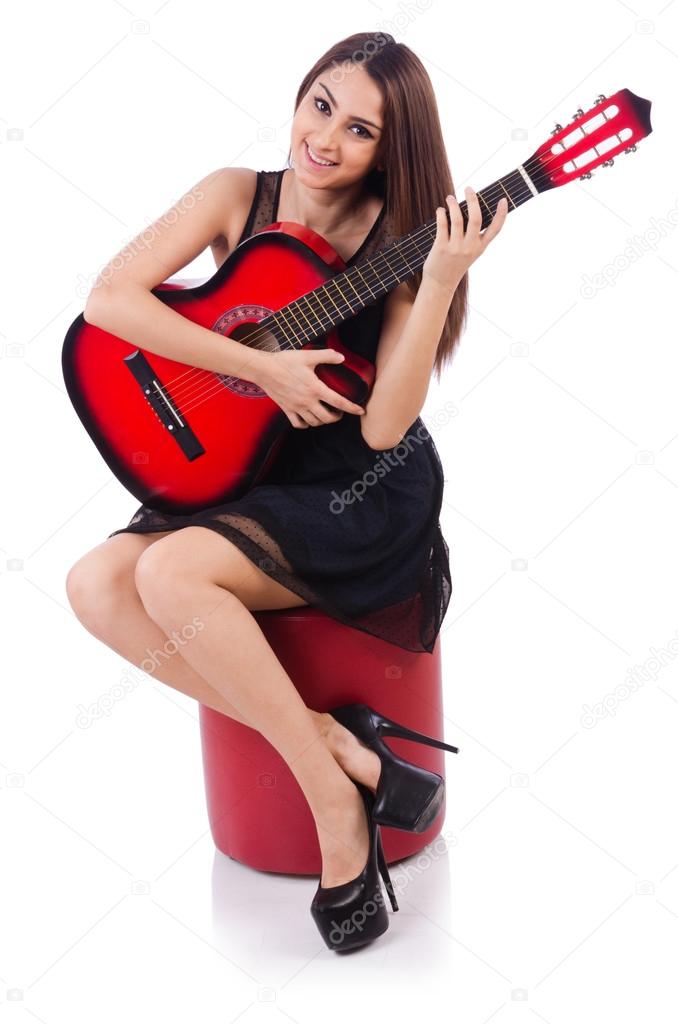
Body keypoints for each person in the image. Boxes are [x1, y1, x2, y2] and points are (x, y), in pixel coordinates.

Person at [66, 30, 507, 950]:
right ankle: (340, 749)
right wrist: (255, 369)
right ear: (300, 94)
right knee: (93, 585)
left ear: (393, 150)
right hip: (243, 464)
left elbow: (385, 425)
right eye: (321, 105)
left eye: (361, 130)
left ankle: (337, 816)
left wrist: (440, 281)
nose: (327, 140)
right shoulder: (238, 194)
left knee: (172, 577)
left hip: (357, 483)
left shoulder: (398, 239)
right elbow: (111, 299)